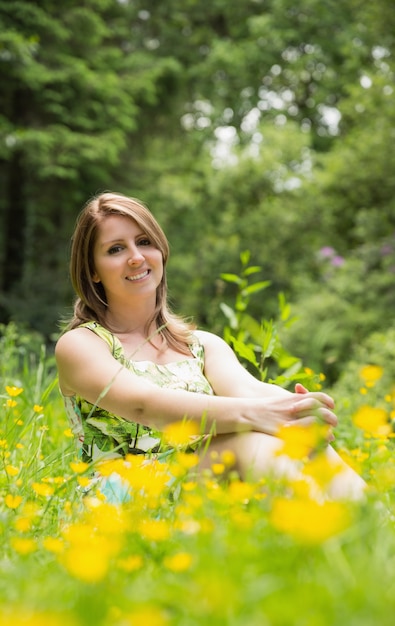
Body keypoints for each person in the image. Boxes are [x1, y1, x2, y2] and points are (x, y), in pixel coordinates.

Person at [55, 191, 366, 502]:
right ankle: (327, 532)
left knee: (299, 440)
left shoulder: (201, 345)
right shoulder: (82, 345)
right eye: (116, 249)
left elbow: (250, 390)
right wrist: (265, 415)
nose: (136, 256)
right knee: (250, 441)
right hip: (120, 497)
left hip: (195, 478)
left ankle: (376, 526)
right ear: (93, 270)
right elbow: (144, 405)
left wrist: (300, 411)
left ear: (161, 251)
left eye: (145, 242)